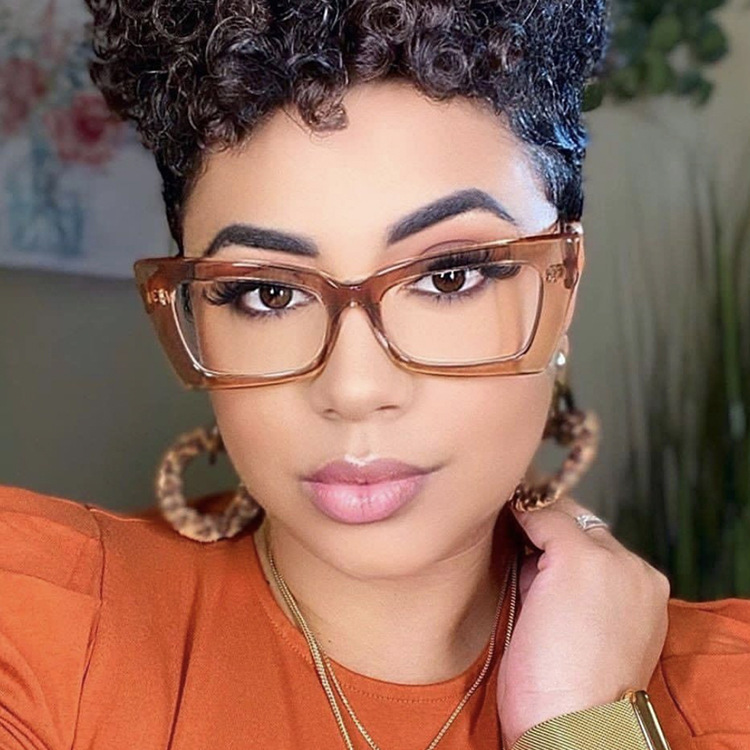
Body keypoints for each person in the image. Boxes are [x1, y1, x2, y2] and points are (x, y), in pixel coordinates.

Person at [1, 1, 749, 748]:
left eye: (449, 277)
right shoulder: (39, 636)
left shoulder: (726, 698)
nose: (354, 390)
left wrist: (586, 725)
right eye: (268, 292)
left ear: (564, 285)